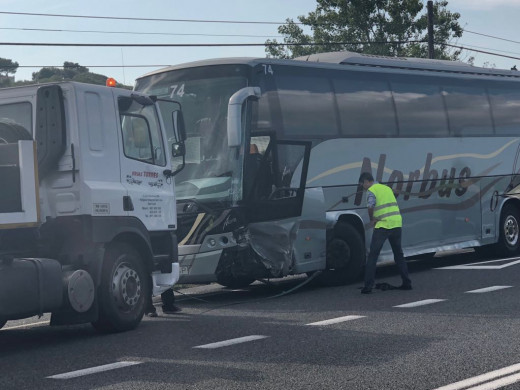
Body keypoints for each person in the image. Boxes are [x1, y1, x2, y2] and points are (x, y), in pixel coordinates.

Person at [358, 172, 412, 294]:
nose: (363, 187)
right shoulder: (386, 188)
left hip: (383, 225)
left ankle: (368, 286)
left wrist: (372, 219)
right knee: (398, 254)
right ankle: (407, 282)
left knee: (373, 256)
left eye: (362, 184)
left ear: (367, 181)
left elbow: (370, 206)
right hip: (396, 223)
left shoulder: (371, 190)